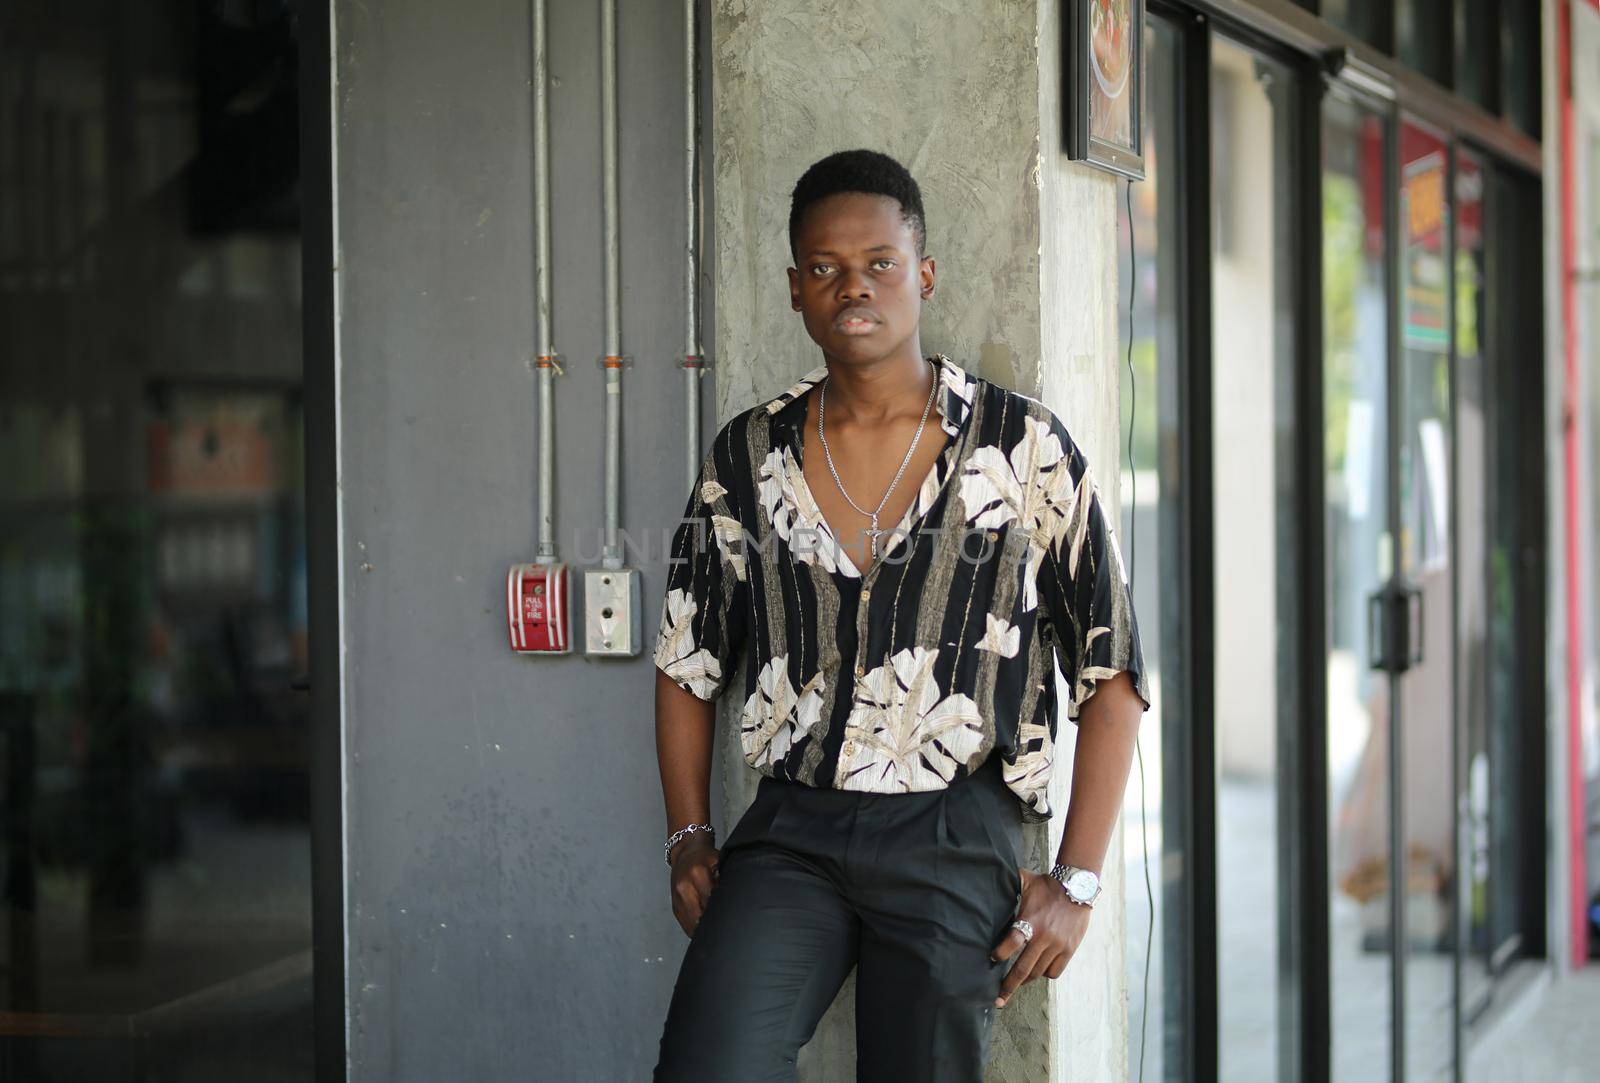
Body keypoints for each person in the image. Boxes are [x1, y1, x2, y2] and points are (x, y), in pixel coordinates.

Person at [650, 148, 1150, 1081]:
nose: (854, 287)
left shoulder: (1022, 446)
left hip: (955, 834)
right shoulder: (748, 454)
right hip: (792, 832)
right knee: (706, 1066)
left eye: (880, 262)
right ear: (796, 287)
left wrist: (1075, 879)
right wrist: (688, 835)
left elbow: (1111, 673)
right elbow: (687, 657)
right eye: (827, 268)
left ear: (923, 274)